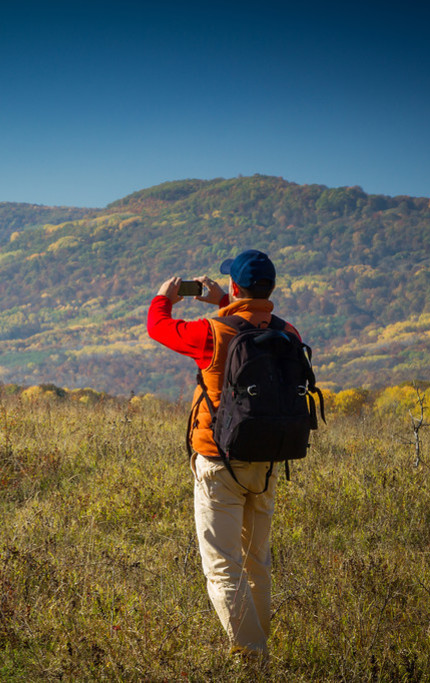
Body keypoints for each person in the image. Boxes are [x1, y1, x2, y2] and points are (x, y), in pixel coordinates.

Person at [146, 249, 301, 664]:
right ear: (270, 287)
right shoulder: (289, 333)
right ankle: (257, 646)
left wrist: (164, 297)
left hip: (219, 462)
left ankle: (252, 658)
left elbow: (159, 329)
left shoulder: (212, 333)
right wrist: (222, 303)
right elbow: (249, 325)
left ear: (235, 286)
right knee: (257, 563)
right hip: (267, 462)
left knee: (222, 566)